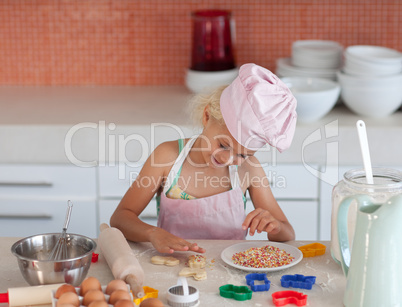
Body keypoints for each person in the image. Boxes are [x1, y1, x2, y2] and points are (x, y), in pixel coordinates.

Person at [110, 63, 297, 254]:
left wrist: (276, 227)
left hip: (230, 277)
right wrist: (152, 233)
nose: (226, 158)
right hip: (174, 270)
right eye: (223, 145)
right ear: (207, 116)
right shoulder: (167, 157)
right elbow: (120, 218)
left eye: (242, 155)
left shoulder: (249, 169)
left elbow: (288, 233)